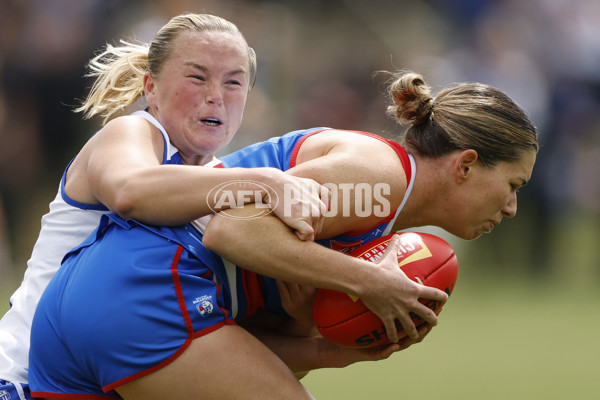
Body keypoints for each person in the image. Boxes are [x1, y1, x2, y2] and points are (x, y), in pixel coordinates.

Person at [28, 70, 538, 399]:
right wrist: (369, 282)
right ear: (466, 165)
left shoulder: (377, 212)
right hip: (145, 290)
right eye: (512, 184)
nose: (513, 207)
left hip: (100, 300)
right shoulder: (382, 177)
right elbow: (231, 229)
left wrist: (320, 340)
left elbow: (245, 343)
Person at [0, 13, 330, 400]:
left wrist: (307, 327)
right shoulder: (132, 132)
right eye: (197, 77)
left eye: (234, 82)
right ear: (150, 88)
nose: (216, 96)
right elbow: (130, 191)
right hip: (23, 383)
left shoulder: (224, 189)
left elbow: (229, 361)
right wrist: (268, 181)